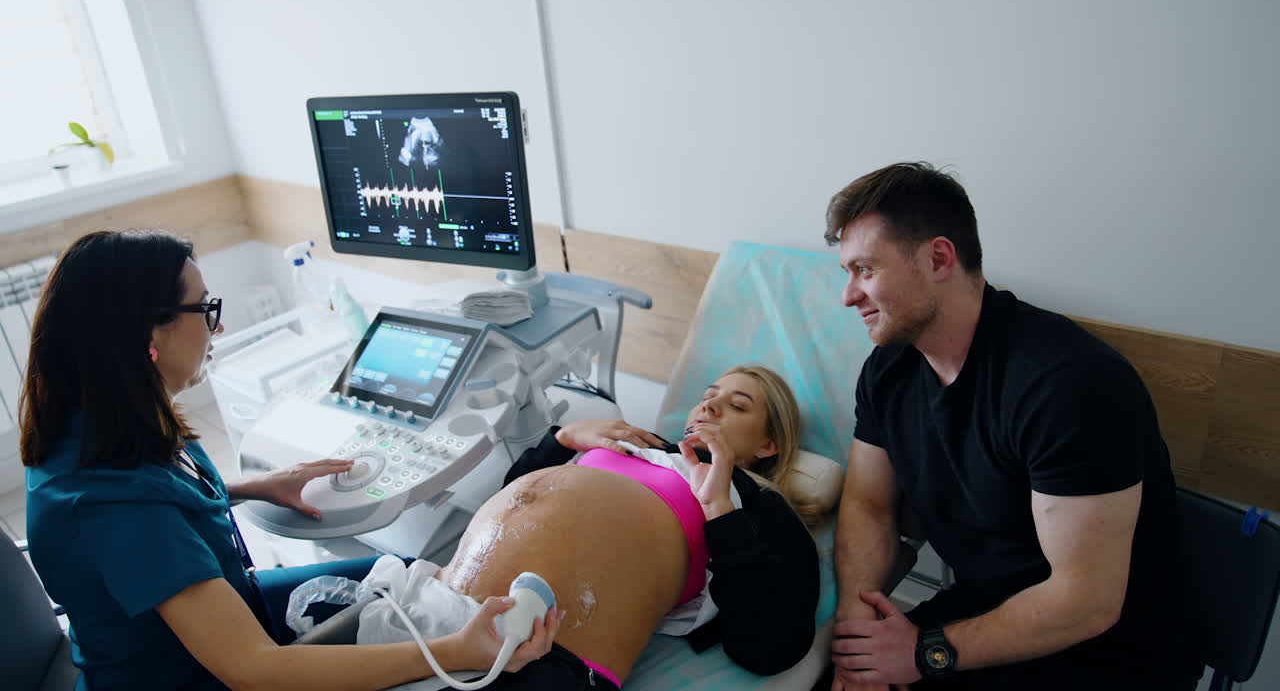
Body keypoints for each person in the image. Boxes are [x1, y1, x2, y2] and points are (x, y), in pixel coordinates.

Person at [21, 230, 562, 691]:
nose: (219, 328)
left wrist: (253, 485)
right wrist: (453, 653)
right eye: (207, 309)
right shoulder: (114, 509)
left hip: (233, 606)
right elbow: (254, 670)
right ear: (146, 333)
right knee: (449, 637)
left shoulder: (95, 421)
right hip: (194, 676)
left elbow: (160, 502)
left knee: (412, 579)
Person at [822, 163, 1200, 690]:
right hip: (985, 611)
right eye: (847, 273)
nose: (848, 295)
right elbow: (869, 504)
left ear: (937, 259)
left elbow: (1085, 603)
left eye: (865, 270)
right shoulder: (890, 370)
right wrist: (858, 635)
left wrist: (923, 653)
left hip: (1109, 654)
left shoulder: (1067, 386)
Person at [409, 364, 821, 689]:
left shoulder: (756, 504)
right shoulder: (635, 440)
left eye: (738, 405)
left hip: (544, 660)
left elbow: (772, 649)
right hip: (433, 606)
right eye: (707, 397)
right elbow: (510, 499)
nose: (708, 408)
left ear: (768, 446)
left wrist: (720, 509)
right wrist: (563, 440)